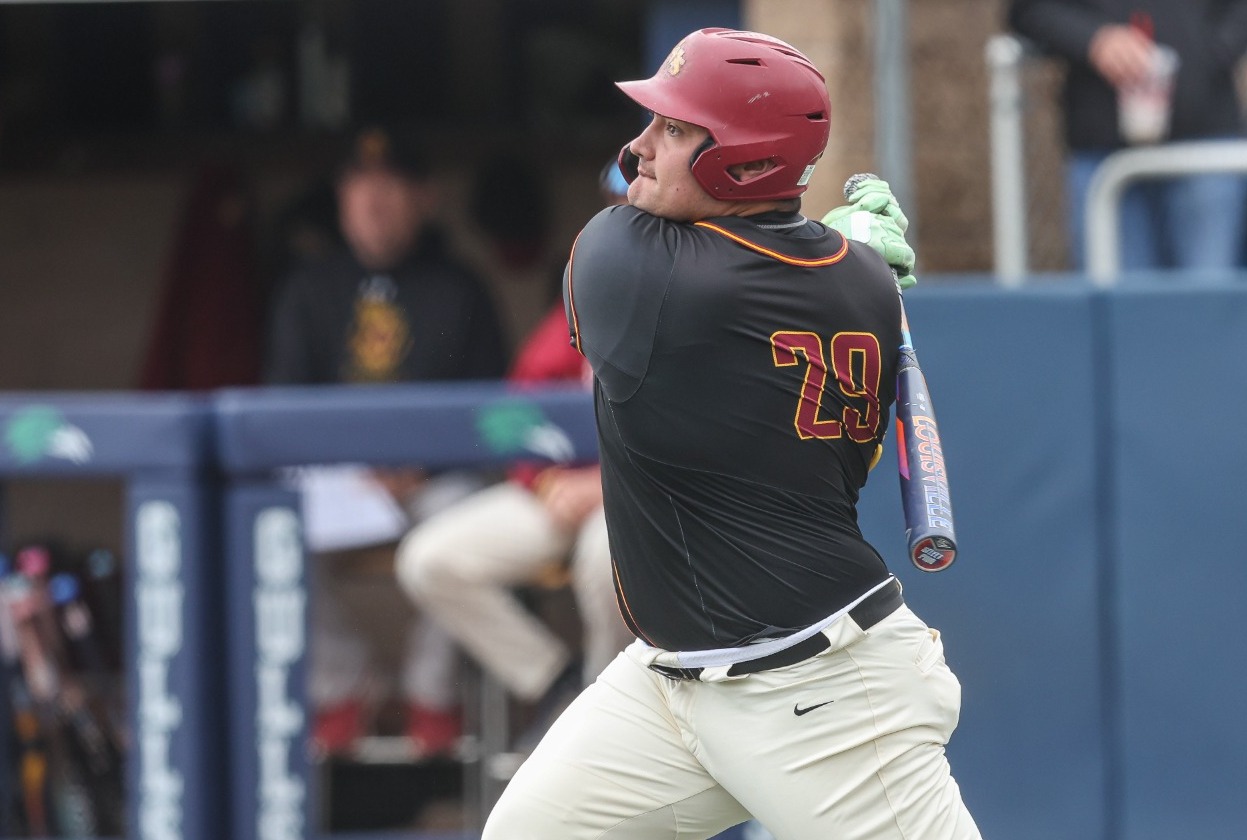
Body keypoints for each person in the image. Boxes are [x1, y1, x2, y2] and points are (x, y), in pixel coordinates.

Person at [484, 28, 979, 839]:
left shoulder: (630, 267)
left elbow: (720, 273)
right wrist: (842, 242)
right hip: (672, 686)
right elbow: (775, 262)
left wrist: (838, 239)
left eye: (674, 130)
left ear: (745, 162)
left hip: (822, 698)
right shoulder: (860, 282)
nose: (637, 149)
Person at [263, 126, 512, 757]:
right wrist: (350, 463)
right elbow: (283, 407)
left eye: (389, 187)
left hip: (436, 482)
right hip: (341, 484)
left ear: (425, 198)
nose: (372, 202)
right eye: (358, 187)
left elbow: (498, 411)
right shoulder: (308, 286)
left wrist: (424, 462)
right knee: (267, 528)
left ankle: (432, 692)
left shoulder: (460, 287)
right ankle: (346, 684)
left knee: (467, 521)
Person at [393, 161, 634, 762]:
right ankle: (560, 689)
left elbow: (704, 431)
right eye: (616, 201)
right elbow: (514, 412)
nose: (627, 214)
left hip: (639, 498)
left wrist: (603, 485)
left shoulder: (702, 294)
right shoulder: (591, 289)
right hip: (562, 494)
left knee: (605, 564)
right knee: (430, 559)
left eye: (637, 199)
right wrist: (549, 478)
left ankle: (611, 718)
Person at [1008, 0, 1247, 274]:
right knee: (1117, 304)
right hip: (1102, 145)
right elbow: (1028, 9)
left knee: (1207, 301)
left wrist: (1211, 51)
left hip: (1205, 140)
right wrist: (1094, 39)